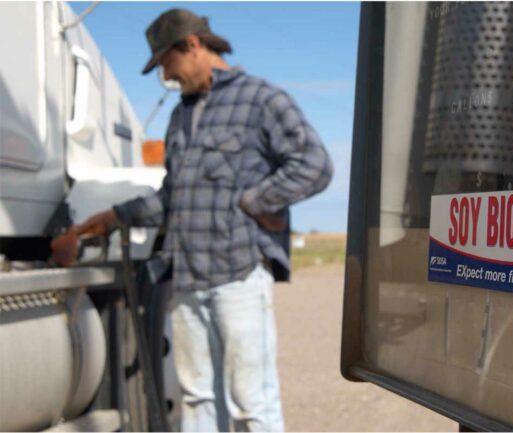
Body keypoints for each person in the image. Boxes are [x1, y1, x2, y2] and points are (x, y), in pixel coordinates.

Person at [76, 8, 333, 432]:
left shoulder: (260, 98)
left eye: (166, 64)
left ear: (192, 45)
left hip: (239, 275)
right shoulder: (181, 116)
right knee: (197, 398)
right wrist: (114, 216)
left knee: (252, 402)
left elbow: (314, 163)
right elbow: (171, 198)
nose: (167, 76)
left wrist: (254, 201)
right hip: (188, 278)